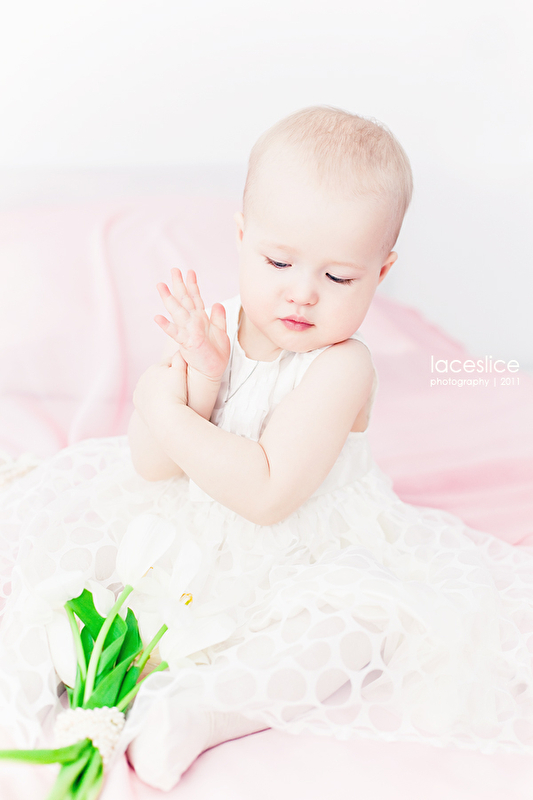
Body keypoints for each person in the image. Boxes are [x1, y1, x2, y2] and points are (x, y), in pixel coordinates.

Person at [1, 106, 533, 791]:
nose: (302, 293)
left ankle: (197, 709)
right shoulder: (215, 326)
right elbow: (151, 464)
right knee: (78, 564)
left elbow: (265, 494)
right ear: (242, 236)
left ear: (381, 272)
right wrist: (201, 378)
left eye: (339, 278)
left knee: (358, 619)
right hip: (183, 522)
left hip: (303, 547)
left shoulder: (342, 366)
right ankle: (32, 684)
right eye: (279, 261)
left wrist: (163, 404)